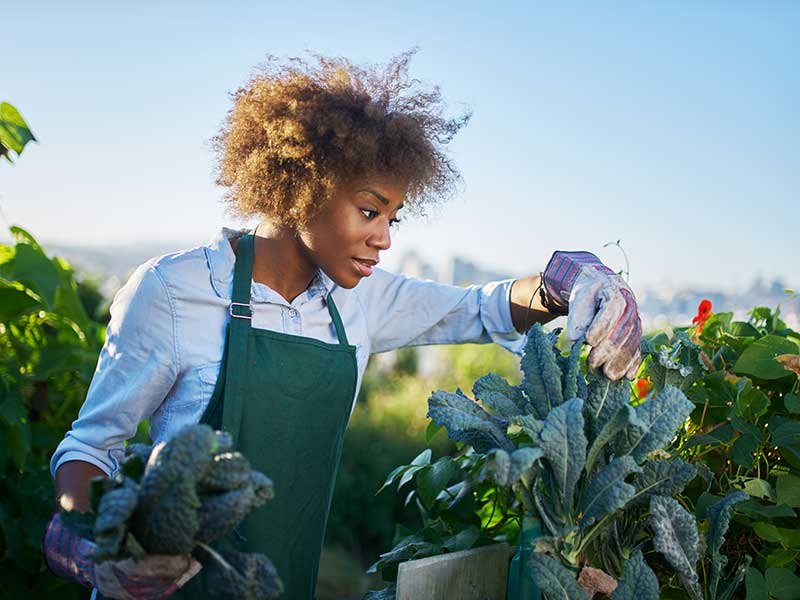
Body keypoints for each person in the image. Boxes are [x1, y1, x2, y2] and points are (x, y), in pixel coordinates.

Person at [43, 51, 642, 600]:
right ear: (302, 187)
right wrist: (95, 545)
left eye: (393, 216)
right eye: (369, 210)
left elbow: (483, 308)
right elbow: (91, 450)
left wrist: (571, 277)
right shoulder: (173, 292)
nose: (384, 237)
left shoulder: (364, 302)